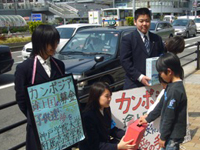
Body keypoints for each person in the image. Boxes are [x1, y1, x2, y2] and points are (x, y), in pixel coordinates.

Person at [14, 25, 67, 150]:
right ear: (39, 43)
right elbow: (22, 100)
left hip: (59, 123)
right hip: (39, 127)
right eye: (51, 43)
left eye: (56, 42)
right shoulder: (24, 68)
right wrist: (37, 117)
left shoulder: (59, 65)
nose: (55, 46)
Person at [139, 53, 187, 150]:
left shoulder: (174, 91)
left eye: (160, 73)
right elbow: (161, 105)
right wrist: (148, 118)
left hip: (172, 135)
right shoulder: (171, 86)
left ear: (169, 71)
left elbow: (169, 116)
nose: (160, 75)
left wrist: (163, 137)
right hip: (170, 133)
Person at [79, 82, 135, 150]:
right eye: (106, 96)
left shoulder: (106, 108)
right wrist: (118, 147)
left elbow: (111, 129)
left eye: (110, 96)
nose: (109, 99)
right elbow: (94, 145)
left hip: (105, 144)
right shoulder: (88, 117)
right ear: (96, 96)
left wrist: (128, 134)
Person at [120, 7, 164, 89]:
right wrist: (140, 77)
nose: (144, 24)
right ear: (135, 22)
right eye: (141, 21)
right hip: (134, 84)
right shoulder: (128, 39)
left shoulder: (157, 38)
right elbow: (125, 61)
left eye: (147, 21)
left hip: (154, 83)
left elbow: (162, 57)